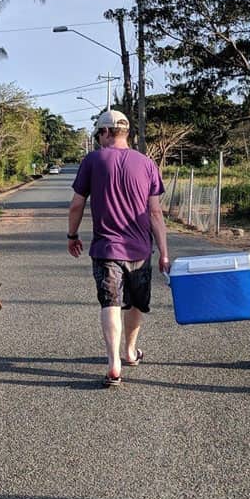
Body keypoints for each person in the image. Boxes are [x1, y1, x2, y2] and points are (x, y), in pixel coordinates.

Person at [67, 109, 171, 388]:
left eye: (98, 134)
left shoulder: (92, 160)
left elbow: (77, 204)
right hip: (140, 249)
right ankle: (130, 351)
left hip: (106, 249)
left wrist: (72, 234)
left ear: (105, 132)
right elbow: (155, 213)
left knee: (110, 303)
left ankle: (114, 363)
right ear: (125, 132)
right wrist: (163, 252)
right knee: (136, 302)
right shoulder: (147, 164)